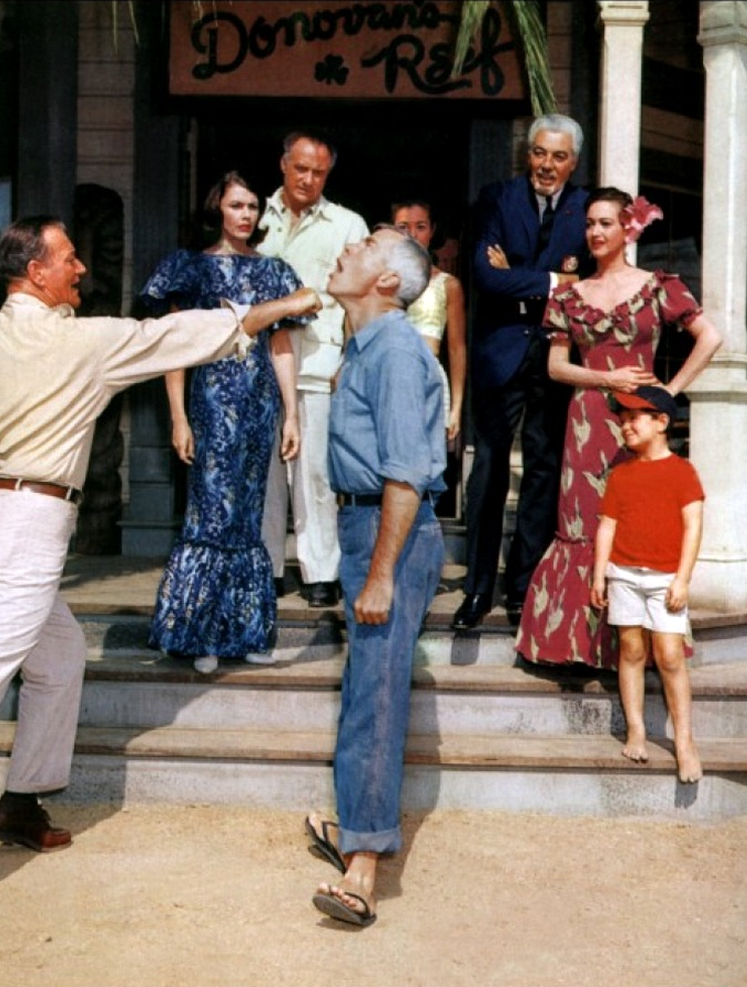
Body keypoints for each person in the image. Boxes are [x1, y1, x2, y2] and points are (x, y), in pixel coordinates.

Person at [0, 216, 320, 951]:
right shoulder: (83, 344)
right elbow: (189, 333)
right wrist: (282, 307)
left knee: (60, 653)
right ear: (34, 272)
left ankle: (20, 802)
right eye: (68, 259)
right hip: (24, 534)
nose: (81, 271)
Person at [303, 226, 446, 928]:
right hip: (366, 527)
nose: (346, 248)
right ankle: (355, 824)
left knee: (377, 696)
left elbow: (406, 474)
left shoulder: (393, 352)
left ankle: (361, 869)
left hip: (393, 532)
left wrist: (382, 573)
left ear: (387, 281)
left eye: (364, 246)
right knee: (365, 685)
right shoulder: (365, 347)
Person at [515, 187, 722, 671]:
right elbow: (556, 367)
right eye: (589, 223)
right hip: (587, 422)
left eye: (605, 223)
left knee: (639, 520)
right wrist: (605, 379)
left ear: (628, 228)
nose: (595, 232)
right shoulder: (569, 295)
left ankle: (636, 647)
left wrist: (667, 393)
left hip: (639, 423)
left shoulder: (658, 286)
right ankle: (575, 647)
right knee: (583, 523)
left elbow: (710, 338)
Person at [141, 172, 309, 676]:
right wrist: (178, 417)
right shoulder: (191, 268)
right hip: (211, 406)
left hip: (259, 408)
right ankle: (200, 634)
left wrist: (291, 414)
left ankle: (247, 633)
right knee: (212, 515)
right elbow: (175, 347)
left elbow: (281, 347)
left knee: (248, 519)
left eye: (253, 206)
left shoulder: (275, 271)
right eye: (237, 205)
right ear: (218, 208)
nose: (246, 215)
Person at [452, 113, 591, 632]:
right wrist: (557, 281)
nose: (546, 165)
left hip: (556, 355)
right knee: (488, 470)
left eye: (558, 156)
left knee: (543, 469)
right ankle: (477, 589)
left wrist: (520, 276)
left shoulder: (586, 209)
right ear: (526, 154)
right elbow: (485, 278)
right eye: (539, 153)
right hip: (501, 352)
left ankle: (523, 587)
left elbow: (589, 286)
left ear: (573, 162)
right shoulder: (496, 198)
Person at [258, 131, 370, 609]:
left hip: (317, 364)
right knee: (263, 475)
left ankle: (320, 570)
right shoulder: (256, 216)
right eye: (300, 168)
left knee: (315, 475)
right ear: (284, 164)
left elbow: (359, 301)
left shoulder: (347, 224)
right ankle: (265, 568)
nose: (308, 179)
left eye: (318, 172)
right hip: (257, 363)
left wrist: (350, 361)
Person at [591, 385, 705, 783]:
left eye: (634, 418)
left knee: (670, 655)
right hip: (623, 574)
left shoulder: (683, 472)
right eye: (622, 419)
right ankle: (636, 729)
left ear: (661, 422)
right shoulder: (621, 474)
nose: (625, 425)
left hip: (666, 579)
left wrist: (683, 579)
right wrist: (600, 574)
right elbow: (608, 526)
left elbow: (693, 527)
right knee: (631, 648)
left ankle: (684, 741)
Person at [391, 198, 466, 445]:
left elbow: (456, 348)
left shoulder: (448, 284)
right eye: (403, 227)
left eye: (420, 227)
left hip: (427, 378)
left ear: (432, 231)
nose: (412, 235)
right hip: (387, 375)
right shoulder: (378, 280)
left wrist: (456, 408)